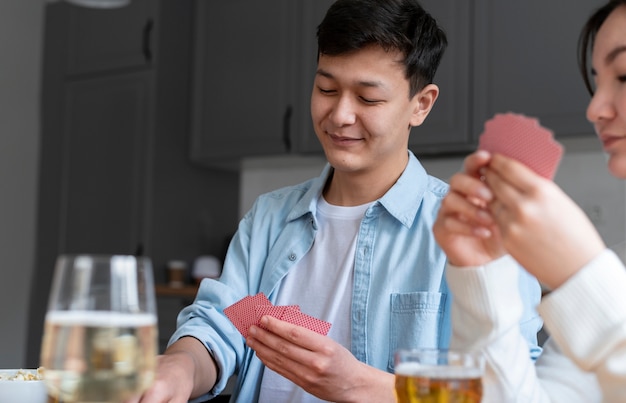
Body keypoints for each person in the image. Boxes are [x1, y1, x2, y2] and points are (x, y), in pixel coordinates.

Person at [137, 0, 542, 402]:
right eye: (326, 89)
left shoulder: (473, 231)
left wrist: (360, 386)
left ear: (421, 104)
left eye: (367, 99)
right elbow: (219, 329)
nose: (340, 115)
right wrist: (182, 366)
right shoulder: (269, 218)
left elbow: (510, 390)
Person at [433, 1, 626, 401]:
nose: (595, 108)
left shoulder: (603, 275)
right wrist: (483, 277)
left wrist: (583, 277)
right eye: (597, 81)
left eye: (624, 75)